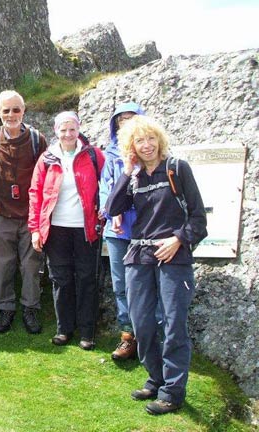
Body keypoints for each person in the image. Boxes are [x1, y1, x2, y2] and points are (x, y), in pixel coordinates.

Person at [105, 115, 207, 415]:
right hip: (139, 256)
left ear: (159, 140)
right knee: (141, 322)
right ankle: (156, 377)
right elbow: (112, 209)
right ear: (131, 146)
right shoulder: (134, 176)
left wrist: (177, 240)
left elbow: (199, 219)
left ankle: (172, 392)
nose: (146, 145)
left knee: (173, 324)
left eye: (151, 139)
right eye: (139, 140)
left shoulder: (177, 169)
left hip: (174, 257)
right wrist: (125, 172)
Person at [29, 111, 105, 350]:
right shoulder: (47, 158)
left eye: (72, 129)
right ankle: (64, 329)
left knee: (86, 279)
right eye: (63, 129)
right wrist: (35, 230)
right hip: (56, 229)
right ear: (56, 131)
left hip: (86, 229)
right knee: (60, 279)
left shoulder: (94, 155)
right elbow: (35, 194)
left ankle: (87, 332)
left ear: (79, 129)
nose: (68, 134)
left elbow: (108, 186)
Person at [0, 90, 47, 334]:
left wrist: (41, 213)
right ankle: (4, 309)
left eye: (16, 109)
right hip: (0, 214)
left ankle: (30, 308)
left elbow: (47, 176)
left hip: (30, 216)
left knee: (30, 266)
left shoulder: (37, 140)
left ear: (23, 111)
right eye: (6, 110)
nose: (11, 114)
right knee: (1, 266)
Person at [99, 102, 145, 360]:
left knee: (147, 285)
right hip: (117, 230)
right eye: (121, 120)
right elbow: (106, 188)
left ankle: (149, 337)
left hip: (145, 229)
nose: (126, 123)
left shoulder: (151, 151)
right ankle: (128, 336)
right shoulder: (111, 155)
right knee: (120, 285)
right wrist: (112, 213)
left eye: (131, 118)